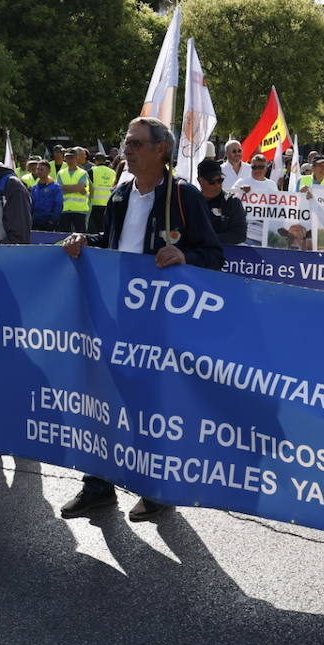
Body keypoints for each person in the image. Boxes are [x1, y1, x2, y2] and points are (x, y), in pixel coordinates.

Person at [59, 117, 223, 522]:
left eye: (135, 143)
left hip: (159, 326)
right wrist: (84, 241)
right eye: (125, 142)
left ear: (160, 150)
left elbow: (214, 256)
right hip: (113, 318)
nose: (126, 149)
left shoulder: (183, 197)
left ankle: (155, 488)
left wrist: (187, 256)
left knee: (148, 408)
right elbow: (111, 243)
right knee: (101, 401)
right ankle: (98, 487)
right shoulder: (118, 196)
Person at [196, 157, 248, 245]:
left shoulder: (232, 202)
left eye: (220, 180)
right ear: (200, 181)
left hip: (224, 256)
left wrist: (208, 239)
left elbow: (240, 234)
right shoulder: (191, 201)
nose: (217, 185)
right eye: (212, 182)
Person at [55, 147, 90, 234]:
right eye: (67, 157)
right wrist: (76, 188)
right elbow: (59, 189)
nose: (69, 160)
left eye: (71, 157)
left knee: (80, 236)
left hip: (80, 210)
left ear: (76, 158)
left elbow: (80, 187)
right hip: (64, 209)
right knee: (64, 236)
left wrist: (65, 187)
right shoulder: (61, 173)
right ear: (65, 158)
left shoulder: (83, 173)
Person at [88, 150, 116, 233]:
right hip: (108, 204)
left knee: (94, 230)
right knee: (104, 229)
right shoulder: (113, 172)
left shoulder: (92, 171)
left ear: (95, 161)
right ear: (104, 161)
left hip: (95, 204)